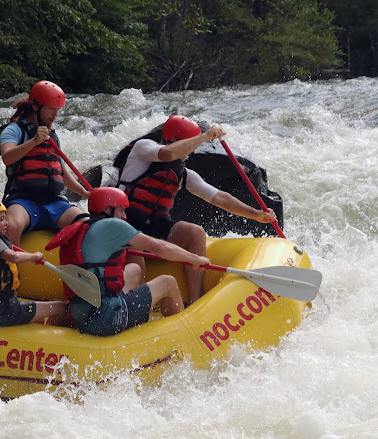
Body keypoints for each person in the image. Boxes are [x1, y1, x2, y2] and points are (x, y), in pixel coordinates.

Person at [115, 115, 278, 302]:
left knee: (195, 232)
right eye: (190, 143)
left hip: (157, 229)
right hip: (127, 227)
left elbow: (220, 198)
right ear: (174, 140)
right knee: (137, 246)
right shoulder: (143, 149)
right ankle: (134, 303)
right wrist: (204, 136)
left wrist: (256, 215)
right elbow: (168, 154)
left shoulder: (184, 174)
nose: (192, 151)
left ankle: (194, 301)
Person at [45, 187, 209, 337]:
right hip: (107, 319)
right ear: (108, 209)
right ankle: (183, 336)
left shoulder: (83, 227)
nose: (124, 216)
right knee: (168, 282)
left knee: (134, 269)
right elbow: (159, 247)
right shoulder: (112, 225)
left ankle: (138, 319)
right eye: (121, 210)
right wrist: (195, 259)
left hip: (81, 315)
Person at [0, 80, 90, 245]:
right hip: (23, 200)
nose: (55, 115)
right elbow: (7, 157)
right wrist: (33, 141)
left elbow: (62, 172)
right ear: (35, 107)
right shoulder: (14, 130)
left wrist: (86, 193)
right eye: (51, 109)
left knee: (87, 224)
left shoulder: (53, 136)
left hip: (54, 201)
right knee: (12, 226)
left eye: (57, 110)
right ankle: (11, 269)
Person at [0, 200, 66, 326]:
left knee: (36, 314)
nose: (6, 223)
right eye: (1, 219)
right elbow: (14, 257)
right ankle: (48, 342)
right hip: (5, 311)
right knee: (60, 308)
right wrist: (34, 256)